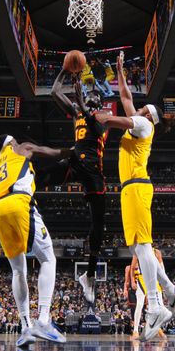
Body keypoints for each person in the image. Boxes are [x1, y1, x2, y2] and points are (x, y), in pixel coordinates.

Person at [88, 51, 175, 341]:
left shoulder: (143, 126)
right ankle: (170, 290)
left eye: (142, 108)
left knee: (142, 246)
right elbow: (127, 97)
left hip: (137, 187)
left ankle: (157, 306)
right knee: (138, 247)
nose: (137, 108)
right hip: (132, 188)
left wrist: (96, 113)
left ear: (148, 116)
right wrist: (119, 72)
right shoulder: (141, 120)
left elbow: (112, 120)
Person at [0, 134, 69, 347]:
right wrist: (72, 152)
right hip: (18, 203)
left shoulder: (0, 162)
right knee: (49, 259)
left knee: (18, 270)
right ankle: (43, 320)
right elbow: (47, 150)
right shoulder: (20, 147)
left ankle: (25, 327)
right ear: (10, 142)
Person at [51, 55, 109, 304]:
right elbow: (54, 91)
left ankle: (90, 275)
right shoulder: (76, 111)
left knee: (98, 226)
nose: (93, 95)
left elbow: (95, 128)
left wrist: (82, 104)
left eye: (96, 95)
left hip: (95, 170)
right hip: (77, 160)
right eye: (90, 94)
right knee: (51, 171)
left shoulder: (103, 118)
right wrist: (64, 72)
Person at [123, 251, 167, 341]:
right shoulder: (137, 252)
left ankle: (158, 328)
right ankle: (135, 331)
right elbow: (132, 268)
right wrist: (132, 281)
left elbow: (162, 268)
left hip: (155, 279)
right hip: (142, 279)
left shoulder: (157, 252)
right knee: (139, 305)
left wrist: (163, 281)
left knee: (159, 307)